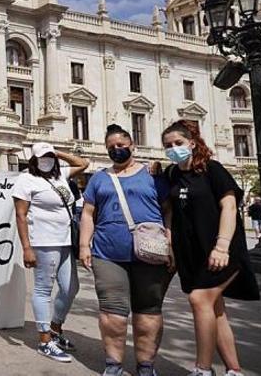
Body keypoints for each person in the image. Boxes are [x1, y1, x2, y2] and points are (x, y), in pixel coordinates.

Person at [161, 119, 259, 376]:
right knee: (215, 309)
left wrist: (222, 246)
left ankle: (203, 369)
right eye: (168, 145)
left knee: (199, 300)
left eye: (178, 143)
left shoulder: (212, 170)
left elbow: (229, 206)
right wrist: (170, 247)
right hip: (190, 254)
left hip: (221, 250)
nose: (173, 148)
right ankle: (234, 370)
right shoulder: (171, 174)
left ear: (192, 143)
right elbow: (170, 214)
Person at [79, 124, 173, 376]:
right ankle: (113, 365)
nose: (116, 150)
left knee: (148, 311)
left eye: (120, 145)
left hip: (151, 253)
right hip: (107, 254)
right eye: (111, 147)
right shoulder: (99, 178)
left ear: (132, 145)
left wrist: (170, 243)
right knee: (113, 314)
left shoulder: (153, 175)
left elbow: (168, 211)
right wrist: (84, 245)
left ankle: (146, 366)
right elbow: (88, 214)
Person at [12, 142, 90, 363]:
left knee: (71, 287)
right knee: (44, 289)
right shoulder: (26, 179)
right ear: (34, 159)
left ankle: (55, 329)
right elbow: (20, 215)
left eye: (49, 156)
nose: (46, 160)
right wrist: (27, 248)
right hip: (43, 241)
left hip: (66, 240)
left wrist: (58, 153)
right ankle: (45, 340)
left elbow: (83, 163)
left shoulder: (61, 175)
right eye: (42, 156)